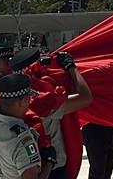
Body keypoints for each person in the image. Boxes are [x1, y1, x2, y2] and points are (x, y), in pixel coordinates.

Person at [13, 48, 95, 178]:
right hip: (51, 168)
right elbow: (85, 98)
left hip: (26, 166)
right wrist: (71, 67)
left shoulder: (10, 93)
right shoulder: (42, 99)